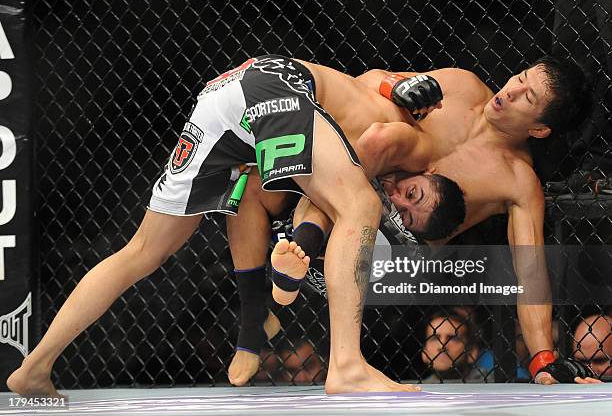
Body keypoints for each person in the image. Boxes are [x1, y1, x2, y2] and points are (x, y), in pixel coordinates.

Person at [8, 54, 459, 397]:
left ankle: (35, 367)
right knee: (361, 206)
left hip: (223, 97)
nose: (400, 205)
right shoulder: (412, 140)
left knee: (141, 251)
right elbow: (374, 151)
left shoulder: (357, 108)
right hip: (274, 88)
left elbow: (284, 205)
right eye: (412, 200)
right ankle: (347, 365)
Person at [264, 55, 602, 385]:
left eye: (527, 96)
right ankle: (300, 248)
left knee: (375, 150)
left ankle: (302, 244)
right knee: (380, 134)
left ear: (539, 129)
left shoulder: (517, 180)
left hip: (391, 246)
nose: (511, 90)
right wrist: (395, 85)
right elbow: (362, 87)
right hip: (354, 184)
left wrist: (543, 357)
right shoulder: (461, 86)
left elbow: (529, 271)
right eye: (521, 77)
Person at [421, 309, 484, 383]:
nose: (442, 346)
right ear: (424, 353)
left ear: (472, 352)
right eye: (435, 338)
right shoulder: (419, 389)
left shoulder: (492, 382)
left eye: (453, 338)